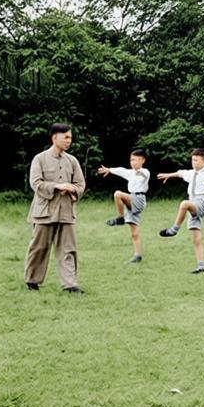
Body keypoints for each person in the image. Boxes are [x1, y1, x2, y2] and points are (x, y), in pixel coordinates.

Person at [24, 123, 86, 293]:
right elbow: (35, 183)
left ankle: (70, 284)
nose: (69, 141)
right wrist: (58, 187)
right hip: (44, 212)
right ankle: (32, 281)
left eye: (70, 138)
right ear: (54, 138)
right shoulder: (40, 159)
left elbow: (80, 184)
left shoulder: (72, 161)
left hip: (66, 212)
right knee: (39, 247)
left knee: (68, 249)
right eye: (66, 137)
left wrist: (74, 190)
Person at [156, 148, 204, 273]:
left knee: (184, 204)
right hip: (193, 202)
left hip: (201, 202)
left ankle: (174, 230)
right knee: (196, 240)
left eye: (197, 160)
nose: (194, 162)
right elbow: (180, 173)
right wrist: (168, 175)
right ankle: (201, 266)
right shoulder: (191, 173)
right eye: (193, 160)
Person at [97, 148, 150, 264]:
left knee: (118, 194)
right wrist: (109, 170)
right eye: (132, 160)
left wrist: (139, 171)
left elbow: (144, 174)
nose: (133, 162)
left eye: (136, 160)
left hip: (138, 199)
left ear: (143, 160)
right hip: (130, 200)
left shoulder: (145, 172)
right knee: (134, 232)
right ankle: (137, 255)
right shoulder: (130, 173)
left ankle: (120, 218)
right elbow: (121, 170)